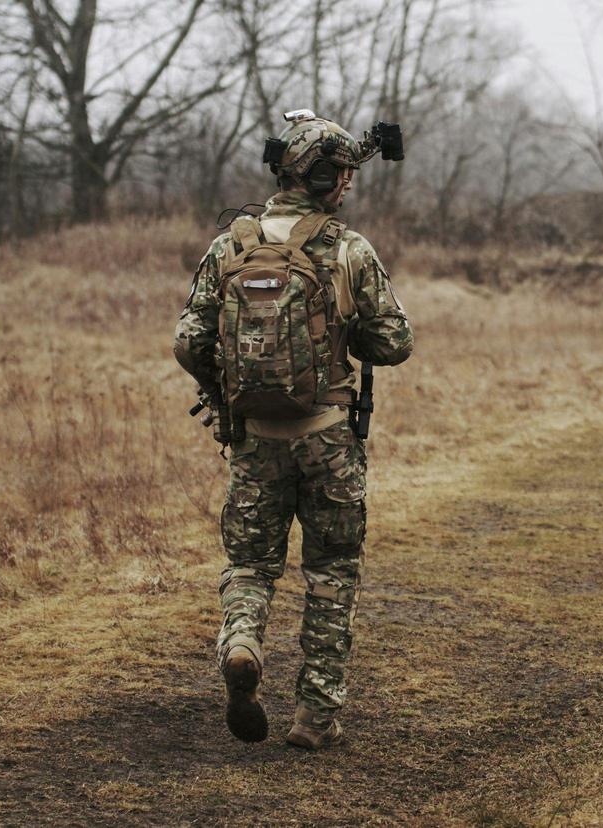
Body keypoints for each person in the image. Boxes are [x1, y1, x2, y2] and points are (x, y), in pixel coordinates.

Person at [173, 110, 413, 750]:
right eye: (345, 176)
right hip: (329, 436)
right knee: (332, 570)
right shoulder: (346, 249)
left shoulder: (231, 245)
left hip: (253, 438)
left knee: (250, 564)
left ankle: (244, 642)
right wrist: (346, 331)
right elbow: (395, 343)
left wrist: (224, 396)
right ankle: (315, 717)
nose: (349, 187)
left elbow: (188, 339)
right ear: (328, 178)